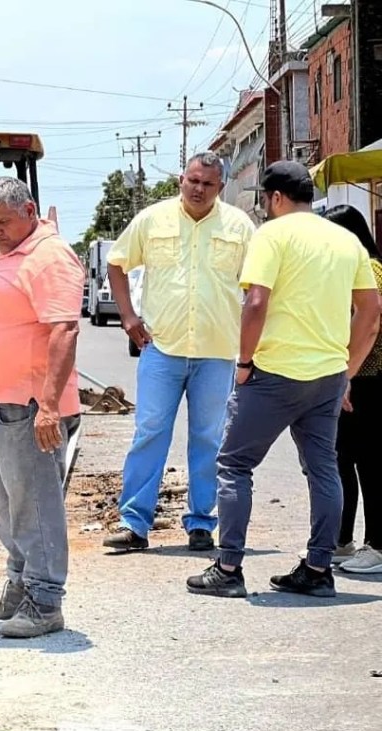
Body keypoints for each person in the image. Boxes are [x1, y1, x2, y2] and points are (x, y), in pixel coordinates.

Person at [186, 162, 380, 599]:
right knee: (324, 469)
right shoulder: (347, 241)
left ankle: (229, 568)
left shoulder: (271, 236)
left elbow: (255, 303)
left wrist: (244, 361)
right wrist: (346, 370)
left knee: (235, 465)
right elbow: (370, 314)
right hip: (327, 376)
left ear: (275, 198)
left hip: (273, 373)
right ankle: (317, 568)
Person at [102, 153, 256, 553]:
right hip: (162, 349)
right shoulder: (153, 220)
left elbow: (258, 286)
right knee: (149, 433)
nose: (198, 189)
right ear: (180, 180)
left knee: (208, 439)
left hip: (217, 352)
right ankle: (134, 523)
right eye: (192, 180)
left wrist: (252, 347)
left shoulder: (239, 227)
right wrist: (128, 316)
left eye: (207, 183)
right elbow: (116, 263)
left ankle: (202, 523)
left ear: (220, 187)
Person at [0, 176, 85, 638]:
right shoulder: (5, 252)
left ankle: (45, 600)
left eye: (4, 222)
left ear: (29, 211)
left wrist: (48, 406)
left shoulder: (48, 256)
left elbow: (64, 330)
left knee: (34, 504)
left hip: (29, 408)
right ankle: (18, 582)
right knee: (4, 503)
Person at [323, 205, 382, 573]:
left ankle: (376, 546)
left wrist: (347, 375)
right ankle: (341, 540)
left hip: (370, 380)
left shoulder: (372, 271)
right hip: (350, 378)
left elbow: (371, 326)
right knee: (342, 459)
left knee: (371, 464)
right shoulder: (350, 272)